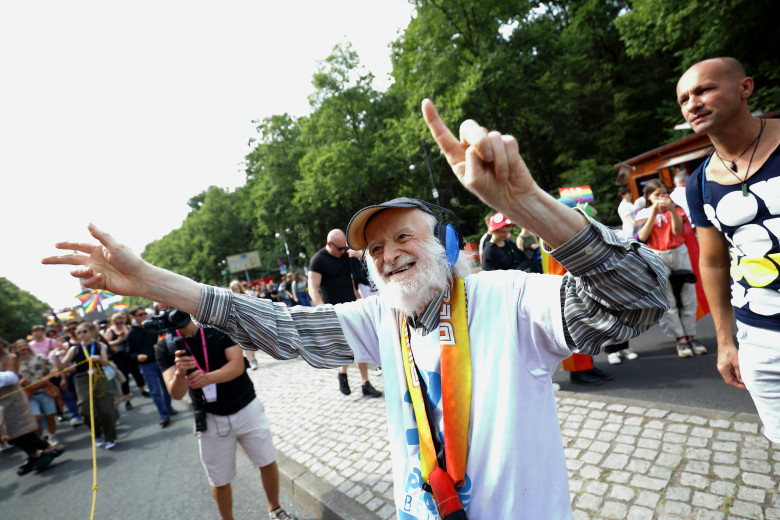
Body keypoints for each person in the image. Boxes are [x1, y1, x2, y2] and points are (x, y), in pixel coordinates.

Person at [43, 99, 667, 519]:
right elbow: (279, 328)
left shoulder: (508, 297)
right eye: (374, 246)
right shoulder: (380, 320)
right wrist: (151, 280)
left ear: (446, 244)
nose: (388, 254)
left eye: (404, 237)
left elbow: (640, 301)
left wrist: (527, 202)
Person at [679, 57, 780, 442]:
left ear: (745, 87)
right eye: (685, 98)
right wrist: (725, 341)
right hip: (760, 337)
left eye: (704, 89)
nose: (693, 103)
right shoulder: (699, 183)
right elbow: (715, 262)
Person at [157, 313, 296, 520]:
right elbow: (175, 393)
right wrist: (179, 373)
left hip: (245, 405)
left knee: (266, 461)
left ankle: (275, 510)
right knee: (219, 480)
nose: (176, 312)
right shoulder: (165, 346)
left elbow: (237, 365)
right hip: (210, 417)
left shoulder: (215, 325)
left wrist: (206, 378)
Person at [308, 229, 382, 398]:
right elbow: (312, 288)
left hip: (352, 305)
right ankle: (343, 373)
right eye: (339, 249)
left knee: (359, 342)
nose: (343, 252)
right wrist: (322, 308)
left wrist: (357, 254)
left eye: (344, 248)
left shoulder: (345, 254)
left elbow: (362, 265)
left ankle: (365, 383)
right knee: (347, 347)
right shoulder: (318, 261)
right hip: (334, 310)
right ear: (329, 244)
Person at [635, 179, 705, 358]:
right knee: (668, 299)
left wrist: (672, 209)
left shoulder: (677, 209)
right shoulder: (642, 213)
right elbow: (642, 236)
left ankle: (691, 335)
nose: (661, 198)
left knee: (688, 295)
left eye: (664, 194)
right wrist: (653, 212)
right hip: (657, 255)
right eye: (657, 195)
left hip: (679, 252)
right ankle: (680, 339)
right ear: (648, 197)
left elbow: (677, 231)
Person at [0, 337, 64, 475]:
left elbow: (11, 377)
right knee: (9, 435)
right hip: (2, 403)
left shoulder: (9, 357)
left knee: (20, 432)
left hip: (14, 400)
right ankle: (33, 455)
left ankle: (48, 448)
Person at [61, 321, 118, 449]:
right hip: (82, 380)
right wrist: (57, 357)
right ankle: (97, 434)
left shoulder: (99, 345)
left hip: (99, 377)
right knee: (85, 410)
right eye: (79, 332)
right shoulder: (74, 348)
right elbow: (62, 366)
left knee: (106, 410)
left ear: (91, 332)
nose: (81, 334)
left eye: (84, 331)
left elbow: (105, 363)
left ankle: (110, 437)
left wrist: (99, 359)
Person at [126, 306, 177, 427]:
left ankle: (168, 408)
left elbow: (164, 338)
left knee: (167, 387)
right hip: (147, 365)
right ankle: (164, 414)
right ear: (133, 317)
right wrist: (138, 356)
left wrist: (160, 345)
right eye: (140, 314)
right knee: (155, 391)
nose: (144, 316)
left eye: (144, 313)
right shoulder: (131, 333)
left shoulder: (152, 327)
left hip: (160, 361)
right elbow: (130, 352)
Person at [13, 339, 60, 445]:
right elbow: (11, 379)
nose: (23, 348)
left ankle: (52, 435)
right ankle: (41, 439)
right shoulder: (14, 365)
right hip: (28, 395)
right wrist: (20, 382)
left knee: (50, 416)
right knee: (36, 417)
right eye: (20, 347)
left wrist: (46, 378)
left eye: (24, 345)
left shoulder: (40, 358)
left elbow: (54, 368)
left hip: (45, 391)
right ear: (16, 349)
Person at [105, 311, 149, 409]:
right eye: (117, 323)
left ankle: (143, 390)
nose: (119, 325)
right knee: (124, 378)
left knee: (137, 373)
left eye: (121, 322)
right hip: (119, 357)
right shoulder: (110, 331)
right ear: (113, 323)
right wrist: (118, 341)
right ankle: (127, 400)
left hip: (130, 355)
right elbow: (105, 345)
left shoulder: (128, 328)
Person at [229, 281, 259, 370]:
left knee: (253, 343)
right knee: (244, 343)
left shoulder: (246, 296)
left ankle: (253, 356)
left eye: (237, 288)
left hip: (249, 322)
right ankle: (252, 361)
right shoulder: (230, 298)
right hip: (238, 324)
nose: (235, 290)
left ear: (240, 288)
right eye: (233, 289)